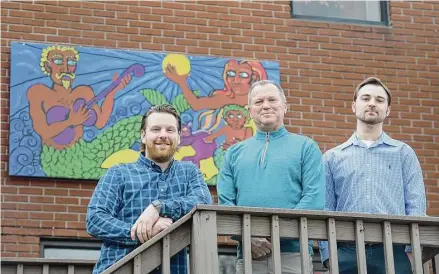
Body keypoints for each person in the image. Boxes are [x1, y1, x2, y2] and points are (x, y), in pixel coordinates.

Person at [87, 104, 212, 274]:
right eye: (156, 129)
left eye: (170, 130)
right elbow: (95, 219)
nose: (163, 135)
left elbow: (203, 202)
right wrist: (142, 232)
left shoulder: (189, 172)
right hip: (118, 269)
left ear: (179, 137)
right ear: (144, 136)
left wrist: (159, 207)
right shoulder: (118, 173)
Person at [319, 77, 426, 274]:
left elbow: (416, 205)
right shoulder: (332, 158)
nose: (372, 104)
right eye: (366, 98)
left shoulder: (403, 153)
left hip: (394, 252)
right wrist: (328, 256)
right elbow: (325, 208)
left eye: (379, 100)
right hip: (345, 253)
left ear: (388, 110)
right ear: (354, 106)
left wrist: (411, 252)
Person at [217, 80, 325, 274]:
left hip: (294, 255)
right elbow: (226, 203)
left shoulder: (306, 147)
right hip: (249, 256)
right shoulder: (233, 153)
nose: (266, 105)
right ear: (250, 110)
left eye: (272, 100)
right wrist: (246, 237)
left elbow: (313, 199)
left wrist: (273, 234)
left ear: (285, 106)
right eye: (259, 102)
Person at [27, 45, 131, 149]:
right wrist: (70, 121)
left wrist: (111, 93)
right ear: (47, 66)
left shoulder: (84, 92)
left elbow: (100, 123)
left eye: (71, 62)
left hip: (79, 155)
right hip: (52, 159)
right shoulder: (39, 92)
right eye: (58, 61)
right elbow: (43, 132)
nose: (65, 68)